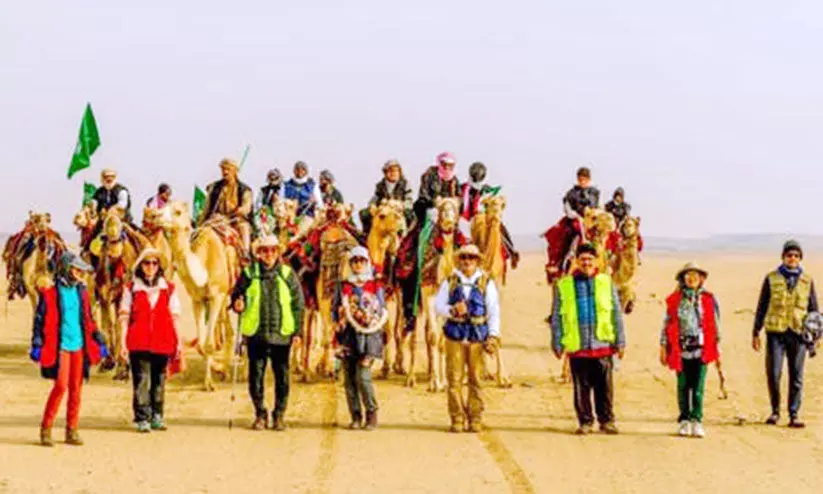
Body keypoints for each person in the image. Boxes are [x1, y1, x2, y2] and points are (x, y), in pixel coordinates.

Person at [30, 251, 109, 447]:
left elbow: (88, 319)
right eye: (76, 269)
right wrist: (37, 343)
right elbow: (39, 320)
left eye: (82, 270)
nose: (80, 273)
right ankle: (46, 428)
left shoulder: (82, 292)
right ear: (66, 268)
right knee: (60, 386)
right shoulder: (50, 293)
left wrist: (99, 340)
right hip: (61, 346)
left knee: (76, 388)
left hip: (79, 346)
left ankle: (72, 429)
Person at [231, 235, 305, 431]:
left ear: (278, 252)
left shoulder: (288, 274)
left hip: (282, 334)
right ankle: (260, 414)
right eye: (264, 250)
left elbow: (298, 305)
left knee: (282, 378)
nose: (269, 254)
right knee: (255, 378)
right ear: (259, 253)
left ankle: (279, 415)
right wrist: (237, 303)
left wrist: (298, 332)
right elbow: (236, 294)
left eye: (272, 250)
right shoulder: (249, 273)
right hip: (256, 334)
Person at [550, 243, 625, 435]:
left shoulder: (606, 283)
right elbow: (557, 316)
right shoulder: (564, 285)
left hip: (602, 344)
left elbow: (616, 313)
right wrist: (557, 341)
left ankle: (607, 420)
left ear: (596, 261)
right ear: (576, 261)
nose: (586, 263)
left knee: (604, 387)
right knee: (581, 388)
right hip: (578, 346)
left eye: (590, 259)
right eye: (582, 259)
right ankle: (585, 421)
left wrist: (620, 341)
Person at [434, 244, 500, 433]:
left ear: (477, 260)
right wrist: (452, 310)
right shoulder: (450, 281)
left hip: (477, 336)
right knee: (454, 379)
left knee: (476, 379)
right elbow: (438, 306)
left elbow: (493, 310)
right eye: (464, 257)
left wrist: (493, 335)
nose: (467, 261)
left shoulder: (486, 282)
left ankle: (475, 417)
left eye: (471, 257)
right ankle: (457, 417)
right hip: (455, 335)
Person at [753, 240, 819, 428]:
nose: (792, 258)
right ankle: (775, 411)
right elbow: (762, 306)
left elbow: (814, 310)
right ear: (783, 257)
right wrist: (755, 331)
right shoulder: (771, 278)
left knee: (796, 375)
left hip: (798, 333)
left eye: (796, 256)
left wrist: (816, 336)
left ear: (800, 259)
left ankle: (794, 414)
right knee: (774, 373)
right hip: (776, 332)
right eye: (789, 255)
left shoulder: (807, 281)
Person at [118, 248, 182, 433]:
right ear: (140, 266)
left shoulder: (168, 288)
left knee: (159, 381)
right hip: (138, 342)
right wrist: (122, 342)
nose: (151, 267)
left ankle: (157, 415)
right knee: (141, 381)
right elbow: (124, 317)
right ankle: (142, 418)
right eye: (147, 263)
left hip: (163, 341)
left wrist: (178, 342)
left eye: (154, 263)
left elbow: (175, 316)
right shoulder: (131, 289)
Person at [659, 262, 720, 438]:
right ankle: (684, 420)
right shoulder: (675, 300)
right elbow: (667, 323)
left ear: (701, 279)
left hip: (702, 350)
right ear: (683, 278)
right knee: (683, 387)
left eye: (695, 275)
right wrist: (663, 346)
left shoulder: (708, 299)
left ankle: (697, 420)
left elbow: (716, 324)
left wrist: (718, 348)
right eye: (688, 275)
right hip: (681, 350)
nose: (692, 278)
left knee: (698, 387)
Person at [335, 246, 388, 430]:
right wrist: (340, 316)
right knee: (349, 379)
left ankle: (371, 413)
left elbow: (380, 308)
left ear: (367, 263)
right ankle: (355, 416)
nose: (358, 264)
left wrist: (367, 318)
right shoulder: (343, 286)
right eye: (355, 261)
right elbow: (335, 308)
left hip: (369, 335)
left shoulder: (375, 285)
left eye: (362, 261)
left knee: (363, 377)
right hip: (348, 336)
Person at [542, 167, 601, 282]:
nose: (582, 181)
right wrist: (576, 216)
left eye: (585, 179)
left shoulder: (595, 193)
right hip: (576, 219)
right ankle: (562, 261)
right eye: (580, 179)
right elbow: (567, 208)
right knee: (568, 232)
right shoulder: (572, 193)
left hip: (593, 220)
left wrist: (596, 213)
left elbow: (599, 206)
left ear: (589, 179)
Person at [459, 161, 520, 267]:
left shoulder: (487, 190)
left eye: (479, 176)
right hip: (465, 219)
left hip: (483, 218)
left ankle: (511, 250)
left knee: (498, 226)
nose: (477, 178)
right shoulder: (462, 189)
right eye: (475, 176)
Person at [198, 158, 254, 252]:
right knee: (203, 231)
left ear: (235, 171)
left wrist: (239, 210)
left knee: (244, 227)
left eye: (228, 169)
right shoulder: (214, 188)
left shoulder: (244, 189)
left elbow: (247, 207)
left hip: (235, 219)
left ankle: (245, 252)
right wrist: (201, 223)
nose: (225, 172)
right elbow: (207, 207)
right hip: (217, 219)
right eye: (223, 169)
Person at [359, 160, 414, 234]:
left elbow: (409, 198)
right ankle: (367, 234)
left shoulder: (405, 184)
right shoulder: (381, 185)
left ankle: (407, 236)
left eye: (395, 171)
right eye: (390, 171)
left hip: (399, 209)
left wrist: (402, 205)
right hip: (384, 209)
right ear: (385, 173)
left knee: (409, 215)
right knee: (364, 213)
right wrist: (372, 205)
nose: (393, 174)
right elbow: (375, 197)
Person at [414, 151, 461, 223]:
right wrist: (434, 201)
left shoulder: (454, 179)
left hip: (449, 206)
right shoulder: (429, 175)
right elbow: (423, 193)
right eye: (444, 164)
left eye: (450, 165)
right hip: (431, 204)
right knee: (420, 206)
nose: (447, 167)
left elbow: (459, 195)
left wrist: (456, 201)